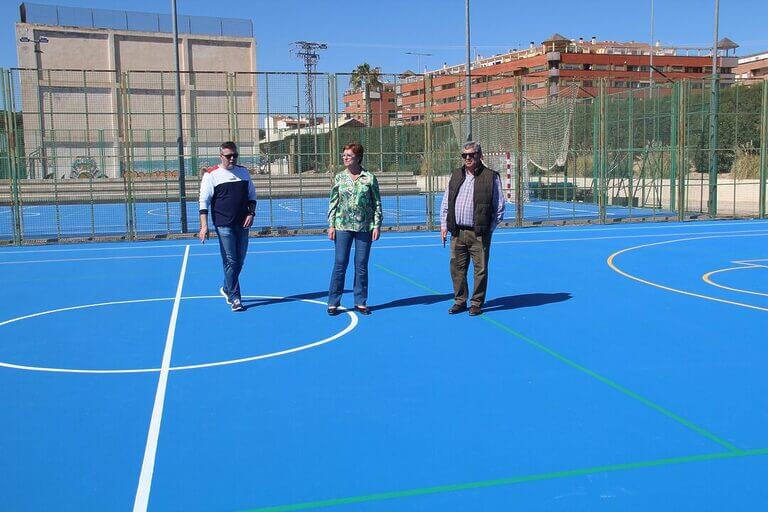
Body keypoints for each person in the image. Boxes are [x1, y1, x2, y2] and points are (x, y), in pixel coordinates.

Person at [440, 141, 505, 316]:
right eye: (464, 155)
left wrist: (488, 229)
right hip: (457, 232)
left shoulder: (491, 177)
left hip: (479, 233)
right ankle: (460, 301)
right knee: (456, 268)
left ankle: (476, 302)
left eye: (471, 154)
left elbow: (499, 207)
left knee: (480, 269)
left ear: (480, 155)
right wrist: (444, 225)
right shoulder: (456, 175)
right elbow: (446, 202)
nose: (468, 158)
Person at [198, 141, 256, 312]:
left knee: (240, 261)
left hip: (243, 224)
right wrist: (204, 226)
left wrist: (251, 214)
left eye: (234, 155)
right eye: (228, 156)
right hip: (223, 225)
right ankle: (235, 297)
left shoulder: (243, 172)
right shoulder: (211, 174)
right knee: (231, 260)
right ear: (221, 156)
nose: (232, 159)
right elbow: (204, 201)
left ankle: (226, 287)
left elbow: (252, 196)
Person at [327, 143, 383, 316]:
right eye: (344, 155)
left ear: (358, 158)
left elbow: (377, 203)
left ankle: (360, 301)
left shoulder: (369, 178)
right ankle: (333, 301)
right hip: (342, 226)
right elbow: (333, 202)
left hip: (364, 227)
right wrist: (331, 225)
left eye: (349, 156)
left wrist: (377, 225)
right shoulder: (339, 178)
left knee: (361, 265)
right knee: (340, 263)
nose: (345, 158)